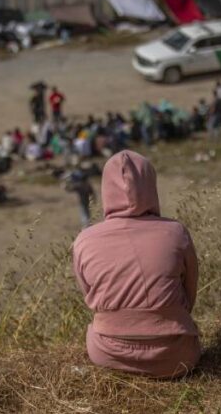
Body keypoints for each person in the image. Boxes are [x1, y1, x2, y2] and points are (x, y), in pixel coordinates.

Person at [72, 151, 200, 378]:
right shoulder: (175, 232)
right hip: (177, 356)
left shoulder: (84, 239)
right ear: (151, 185)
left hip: (108, 355)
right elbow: (189, 294)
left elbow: (91, 298)